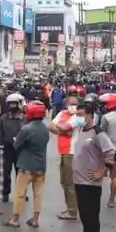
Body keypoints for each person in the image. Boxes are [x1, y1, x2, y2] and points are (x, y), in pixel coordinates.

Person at [71, 99, 116, 232]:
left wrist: (102, 172)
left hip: (91, 182)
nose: (77, 117)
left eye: (80, 114)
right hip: (79, 179)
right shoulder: (81, 130)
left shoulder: (98, 133)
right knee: (84, 214)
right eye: (76, 114)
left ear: (90, 115)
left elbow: (110, 152)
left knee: (91, 215)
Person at [11, 101, 50, 228]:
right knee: (38, 195)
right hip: (41, 166)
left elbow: (17, 145)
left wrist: (16, 140)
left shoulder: (26, 128)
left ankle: (15, 219)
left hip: (26, 165)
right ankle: (35, 220)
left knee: (20, 193)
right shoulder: (45, 128)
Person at [49, 93, 81, 221]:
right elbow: (51, 126)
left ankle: (72, 211)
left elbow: (61, 126)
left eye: (75, 104)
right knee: (64, 181)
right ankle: (69, 208)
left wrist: (60, 128)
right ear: (66, 104)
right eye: (71, 104)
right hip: (62, 151)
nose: (73, 107)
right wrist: (63, 131)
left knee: (69, 183)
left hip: (72, 152)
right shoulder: (62, 113)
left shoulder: (79, 117)